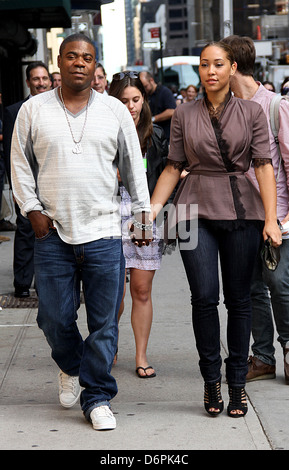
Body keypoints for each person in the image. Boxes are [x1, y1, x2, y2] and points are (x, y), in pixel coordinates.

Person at [11, 33, 151, 431]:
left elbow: (133, 166)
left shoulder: (114, 111)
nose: (79, 63)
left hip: (104, 229)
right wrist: (31, 209)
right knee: (53, 318)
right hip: (52, 232)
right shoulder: (33, 110)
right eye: (71, 56)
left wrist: (142, 215)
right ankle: (73, 367)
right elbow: (19, 163)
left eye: (87, 58)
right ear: (59, 61)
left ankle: (97, 396)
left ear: (95, 65)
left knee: (105, 322)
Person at [150, 41, 281, 418]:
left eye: (218, 64)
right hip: (192, 207)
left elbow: (263, 166)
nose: (210, 71)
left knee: (239, 300)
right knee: (204, 297)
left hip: (242, 207)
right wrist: (152, 212)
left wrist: (270, 218)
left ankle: (236, 383)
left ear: (232, 68)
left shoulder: (253, 111)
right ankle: (211, 379)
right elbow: (173, 167)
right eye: (204, 64)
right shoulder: (183, 114)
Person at [222, 35, 289, 384]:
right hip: (239, 216)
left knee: (279, 283)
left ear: (233, 66)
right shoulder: (224, 108)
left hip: (277, 216)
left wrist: (284, 217)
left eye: (218, 63)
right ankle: (263, 357)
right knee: (250, 288)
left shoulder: (276, 106)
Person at [109, 70, 168, 378]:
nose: (130, 106)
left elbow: (164, 177)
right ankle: (110, 345)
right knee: (113, 292)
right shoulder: (102, 131)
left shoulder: (155, 136)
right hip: (107, 217)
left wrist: (148, 217)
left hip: (144, 216)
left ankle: (141, 356)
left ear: (144, 101)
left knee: (142, 291)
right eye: (123, 100)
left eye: (136, 99)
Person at [3, 61, 52, 297]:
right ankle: (22, 284)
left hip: (54, 181)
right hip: (27, 183)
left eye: (44, 78)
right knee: (25, 230)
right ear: (28, 82)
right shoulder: (14, 111)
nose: (41, 83)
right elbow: (10, 153)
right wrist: (15, 187)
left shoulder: (60, 108)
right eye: (36, 79)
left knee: (54, 233)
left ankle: (46, 284)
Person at [139, 71, 176, 141]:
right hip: (152, 137)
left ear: (151, 80)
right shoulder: (146, 94)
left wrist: (153, 119)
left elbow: (172, 111)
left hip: (166, 137)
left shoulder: (165, 92)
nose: (144, 89)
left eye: (145, 86)